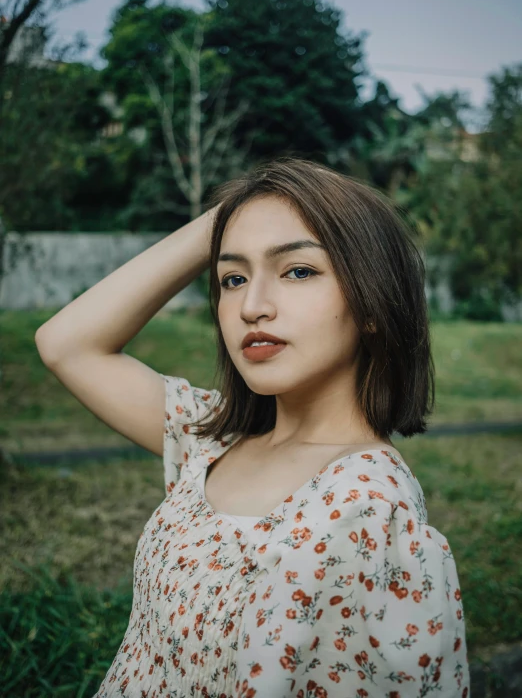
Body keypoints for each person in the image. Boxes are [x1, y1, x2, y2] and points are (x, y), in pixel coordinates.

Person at [35, 157, 470, 697]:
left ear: (372, 302)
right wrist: (234, 213)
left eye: (298, 271)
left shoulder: (371, 511)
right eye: (232, 279)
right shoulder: (211, 440)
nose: (251, 307)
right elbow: (66, 344)